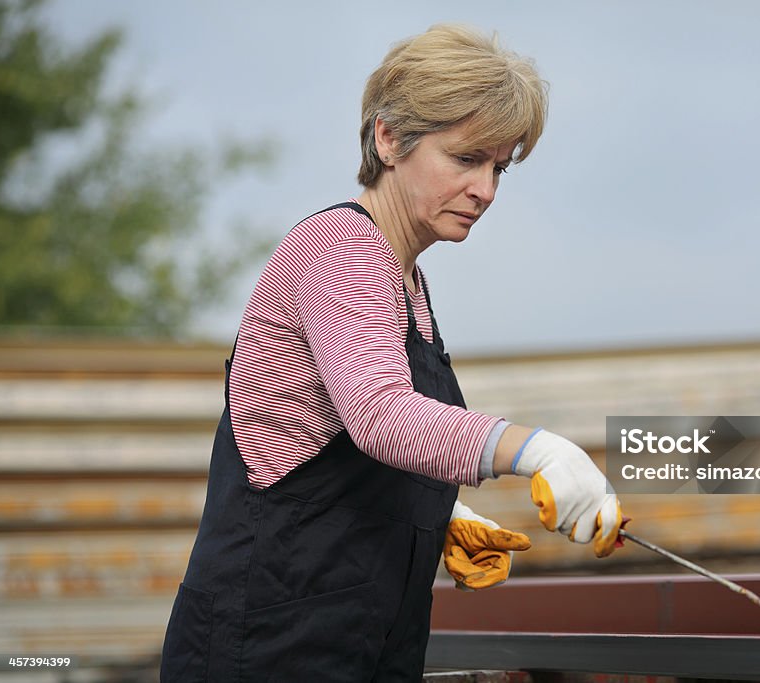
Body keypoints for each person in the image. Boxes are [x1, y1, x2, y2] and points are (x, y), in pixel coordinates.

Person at [160, 23, 623, 682]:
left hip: (359, 647)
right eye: (466, 159)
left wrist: (438, 511)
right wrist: (538, 450)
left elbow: (337, 443)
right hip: (264, 647)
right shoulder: (340, 251)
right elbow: (380, 414)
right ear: (388, 138)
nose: (486, 191)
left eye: (499, 167)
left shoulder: (407, 281)